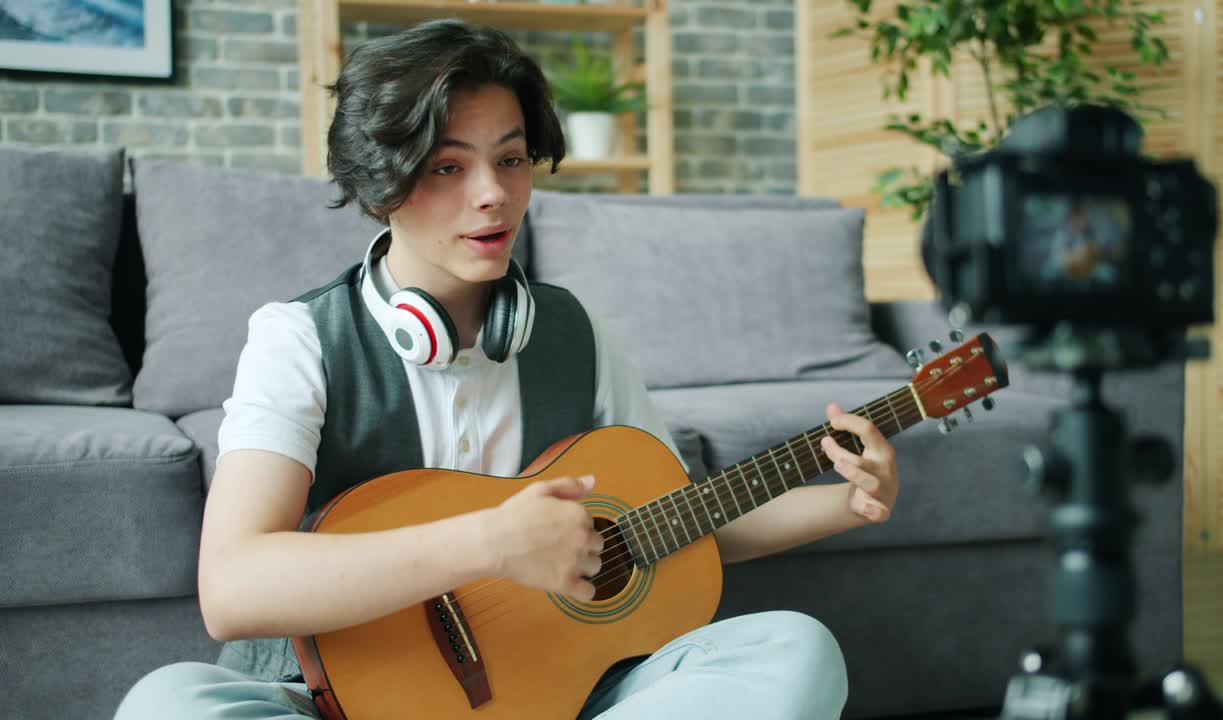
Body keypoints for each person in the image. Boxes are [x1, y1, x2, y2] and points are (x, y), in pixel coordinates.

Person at [115, 19, 899, 720]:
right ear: (376, 184)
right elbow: (233, 589)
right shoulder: (299, 339)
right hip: (335, 699)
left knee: (795, 648)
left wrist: (843, 502)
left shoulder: (576, 333)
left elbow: (673, 523)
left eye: (512, 158)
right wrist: (491, 544)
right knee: (167, 705)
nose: (494, 196)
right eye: (447, 168)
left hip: (559, 695)